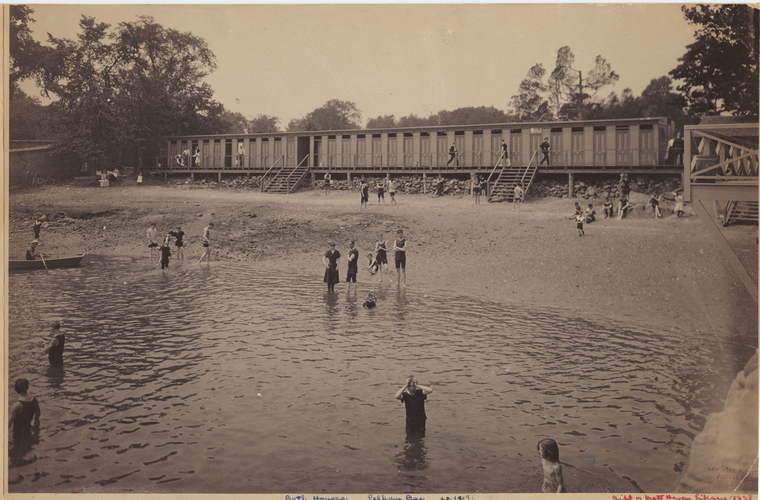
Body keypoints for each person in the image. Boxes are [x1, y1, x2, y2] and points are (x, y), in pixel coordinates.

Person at [8, 378, 40, 463]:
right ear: (27, 388)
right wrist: (36, 432)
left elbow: (9, 423)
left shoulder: (17, 405)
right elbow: (37, 417)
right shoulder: (34, 400)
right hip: (29, 431)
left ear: (15, 389)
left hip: (18, 434)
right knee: (27, 449)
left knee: (14, 455)